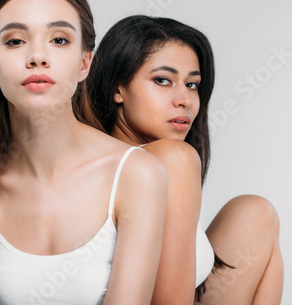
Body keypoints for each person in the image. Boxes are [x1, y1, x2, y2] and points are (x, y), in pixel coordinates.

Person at [0, 0, 168, 305]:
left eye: (59, 40)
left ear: (85, 63)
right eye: (15, 41)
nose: (37, 56)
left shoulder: (137, 174)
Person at [86, 15, 283, 305]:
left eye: (192, 85)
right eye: (163, 80)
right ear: (118, 89)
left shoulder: (167, 161)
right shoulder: (171, 159)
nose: (185, 100)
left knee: (255, 213)